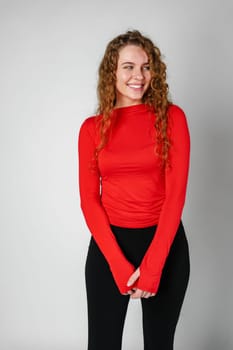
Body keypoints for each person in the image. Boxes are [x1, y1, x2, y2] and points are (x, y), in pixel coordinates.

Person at [78, 29, 190, 350]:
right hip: (109, 247)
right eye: (128, 66)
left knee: (159, 344)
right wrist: (118, 263)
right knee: (102, 344)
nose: (138, 76)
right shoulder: (91, 129)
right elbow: (89, 201)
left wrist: (153, 266)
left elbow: (175, 196)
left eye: (145, 66)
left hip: (164, 245)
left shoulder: (172, 118)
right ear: (112, 72)